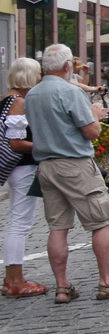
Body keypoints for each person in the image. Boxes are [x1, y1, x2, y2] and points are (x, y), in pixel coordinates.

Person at [28, 44, 109, 304]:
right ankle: (107, 282)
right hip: (74, 164)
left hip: (46, 165)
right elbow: (90, 132)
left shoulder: (33, 94)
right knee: (100, 221)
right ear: (68, 66)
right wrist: (94, 115)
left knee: (57, 227)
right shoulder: (70, 91)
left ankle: (62, 286)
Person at [2, 59, 48, 298]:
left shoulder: (6, 99)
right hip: (22, 168)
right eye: (38, 73)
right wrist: (47, 145)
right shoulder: (18, 102)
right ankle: (16, 279)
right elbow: (17, 143)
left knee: (17, 222)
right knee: (20, 223)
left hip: (15, 168)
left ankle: (11, 279)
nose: (40, 78)